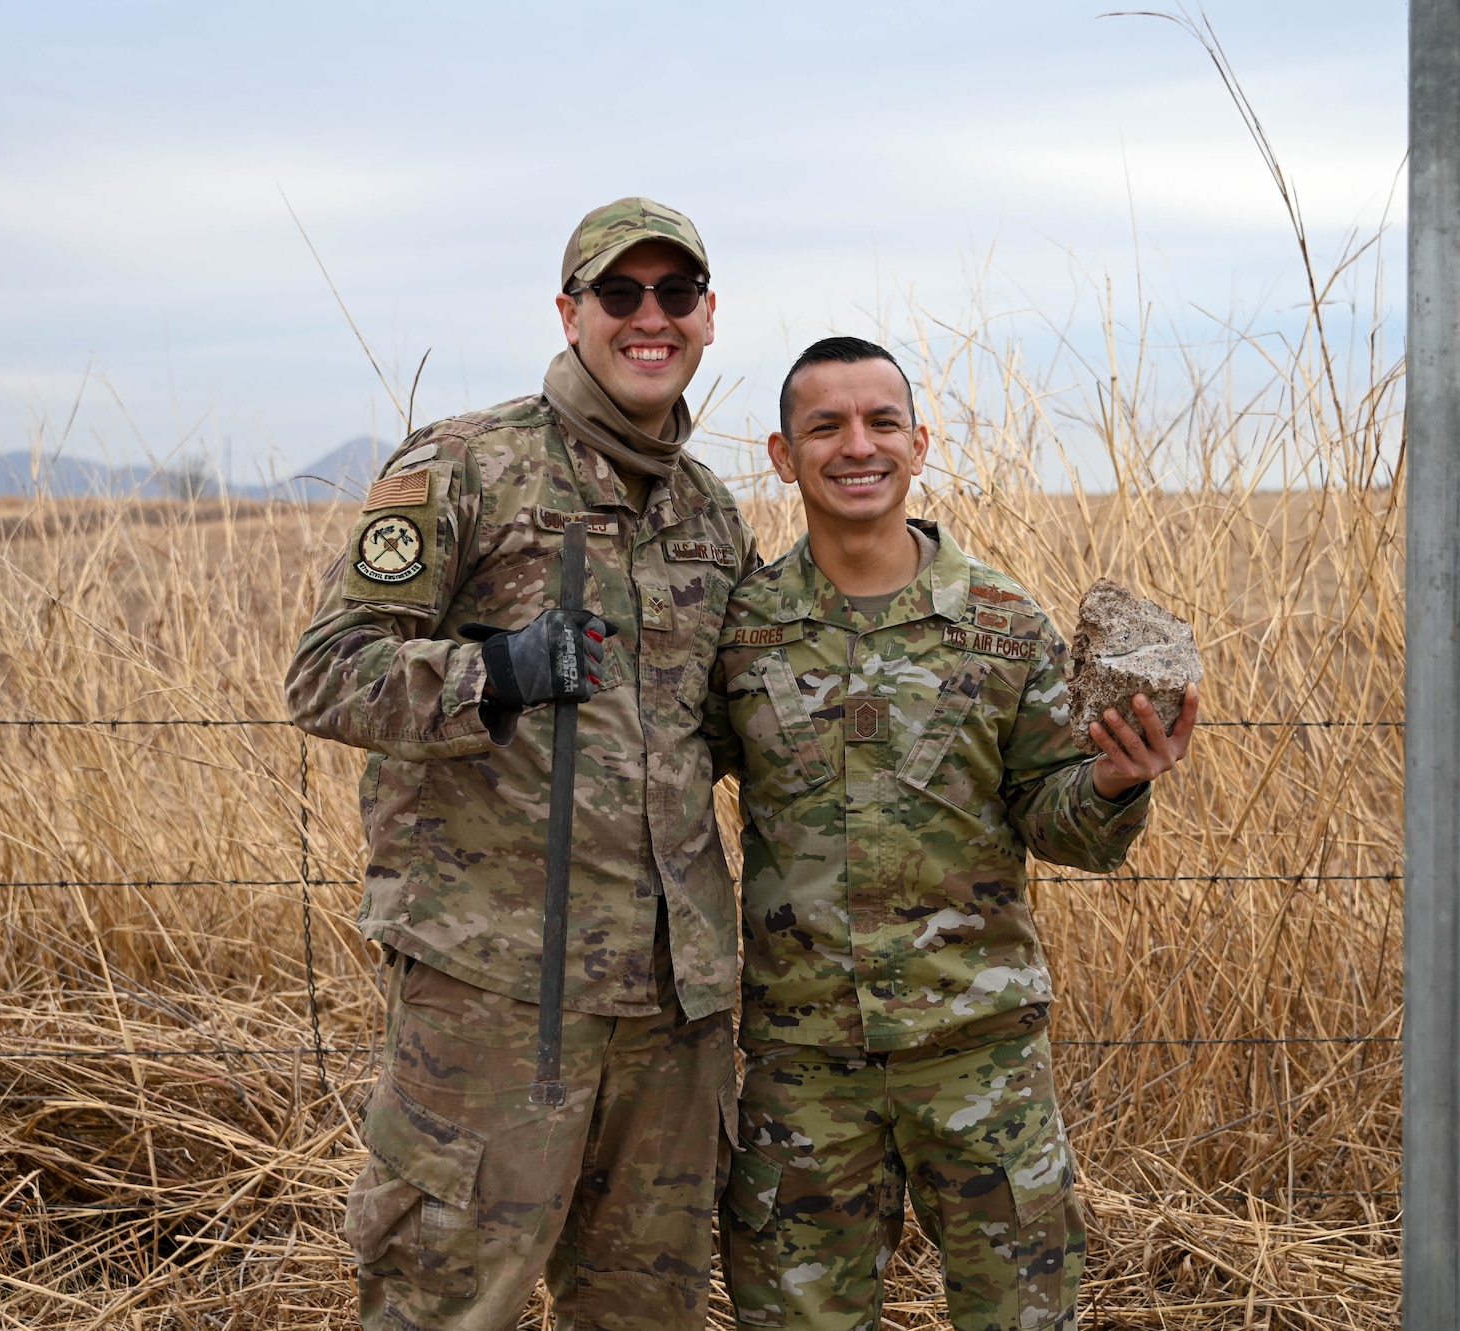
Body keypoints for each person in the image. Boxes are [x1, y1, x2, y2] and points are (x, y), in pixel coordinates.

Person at [285, 197, 760, 1331]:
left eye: (674, 295)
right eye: (618, 294)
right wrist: (493, 672)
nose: (649, 317)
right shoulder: (467, 465)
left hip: (671, 1006)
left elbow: (733, 727)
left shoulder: (706, 510)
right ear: (570, 311)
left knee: (645, 1313)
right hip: (497, 993)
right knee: (451, 1302)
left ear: (706, 318)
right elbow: (327, 673)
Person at [705, 336, 1197, 1331]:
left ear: (918, 441)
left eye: (881, 421)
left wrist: (1109, 781)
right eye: (825, 424)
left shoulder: (1000, 620)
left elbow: (1064, 824)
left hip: (977, 1059)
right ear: (780, 452)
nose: (857, 445)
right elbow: (660, 789)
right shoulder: (741, 628)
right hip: (804, 1068)